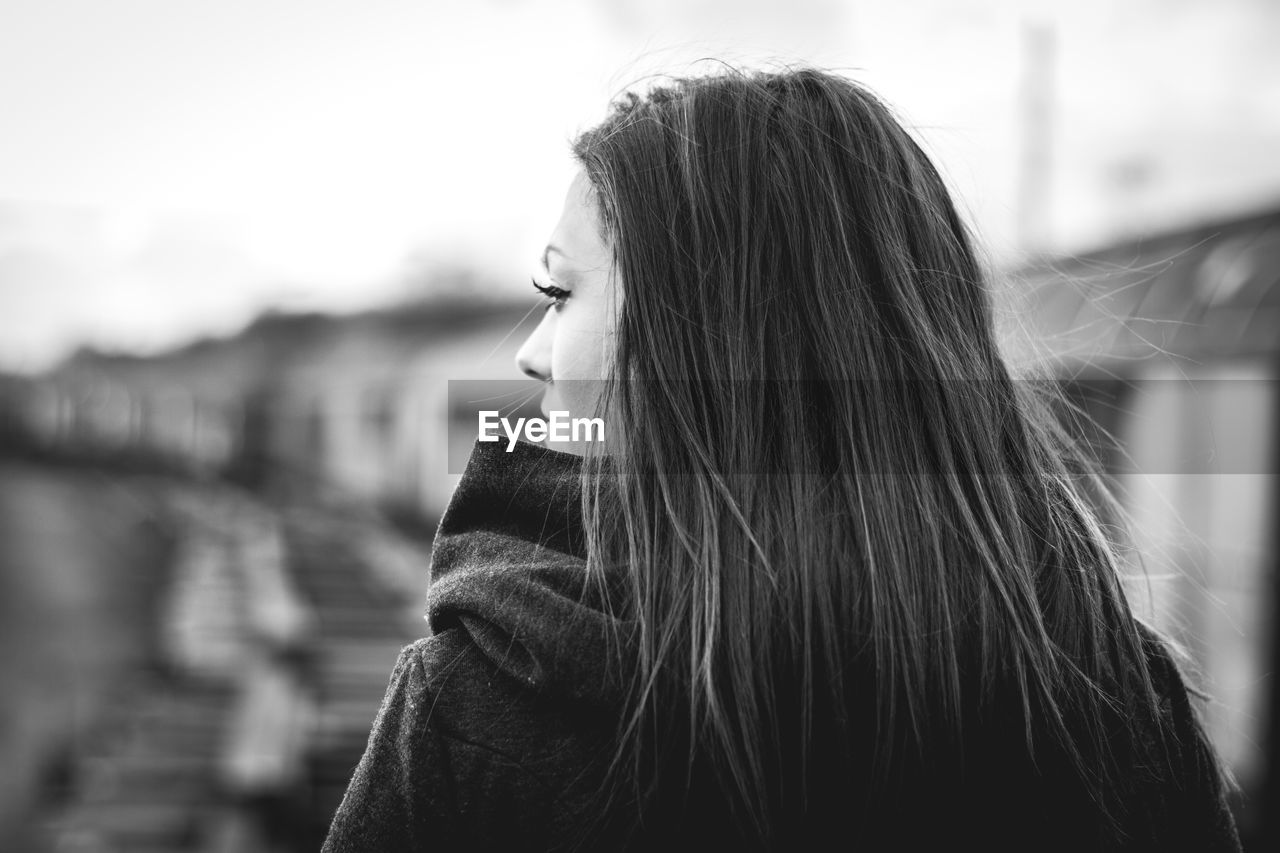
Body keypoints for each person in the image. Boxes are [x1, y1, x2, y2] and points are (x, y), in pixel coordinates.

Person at [320, 65, 1242, 851]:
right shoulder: (1115, 702)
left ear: (706, 344)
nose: (530, 352)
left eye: (559, 292)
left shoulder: (477, 708)